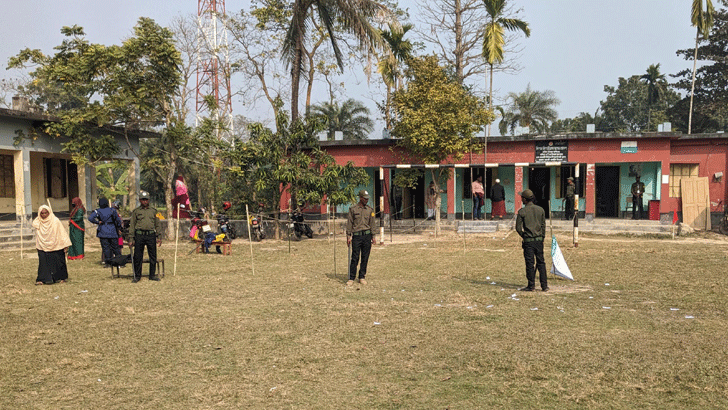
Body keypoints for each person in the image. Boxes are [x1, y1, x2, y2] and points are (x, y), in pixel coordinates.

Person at [516, 189, 548, 292]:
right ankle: (544, 286)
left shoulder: (522, 211)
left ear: (524, 199)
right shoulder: (541, 210)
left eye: (522, 198)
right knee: (541, 262)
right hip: (539, 240)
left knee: (530, 263)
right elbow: (543, 225)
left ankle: (531, 285)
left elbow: (518, 228)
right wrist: (542, 237)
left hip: (528, 241)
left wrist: (524, 236)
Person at [33, 205, 72, 285]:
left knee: (58, 261)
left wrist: (65, 244)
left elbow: (62, 232)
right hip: (42, 245)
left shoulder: (55, 221)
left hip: (56, 244)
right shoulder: (38, 222)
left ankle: (60, 278)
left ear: (49, 212)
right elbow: (38, 235)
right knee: (43, 262)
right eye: (42, 213)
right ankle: (44, 279)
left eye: (45, 213)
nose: (44, 215)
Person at [130, 191, 162, 283]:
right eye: (143, 199)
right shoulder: (136, 211)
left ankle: (152, 275)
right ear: (140, 200)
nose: (144, 201)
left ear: (149, 200)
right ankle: (137, 276)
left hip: (151, 235)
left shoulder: (153, 211)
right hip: (139, 235)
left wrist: (159, 236)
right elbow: (132, 225)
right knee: (138, 256)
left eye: (146, 200)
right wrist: (131, 238)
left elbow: (157, 224)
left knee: (153, 256)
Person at [346, 189, 376, 286]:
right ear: (360, 198)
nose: (366, 200)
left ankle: (362, 277)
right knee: (355, 257)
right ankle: (351, 277)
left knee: (365, 257)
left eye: (367, 199)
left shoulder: (370, 210)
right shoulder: (353, 209)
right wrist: (348, 236)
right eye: (365, 198)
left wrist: (373, 236)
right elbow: (349, 223)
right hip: (357, 236)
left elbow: (372, 223)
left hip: (367, 236)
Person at [88, 198, 123, 266]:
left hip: (103, 231)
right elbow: (118, 220)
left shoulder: (97, 211)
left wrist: (97, 222)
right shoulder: (112, 210)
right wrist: (119, 228)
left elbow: (90, 218)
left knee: (106, 248)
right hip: (112, 231)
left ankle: (108, 263)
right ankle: (119, 262)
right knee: (116, 247)